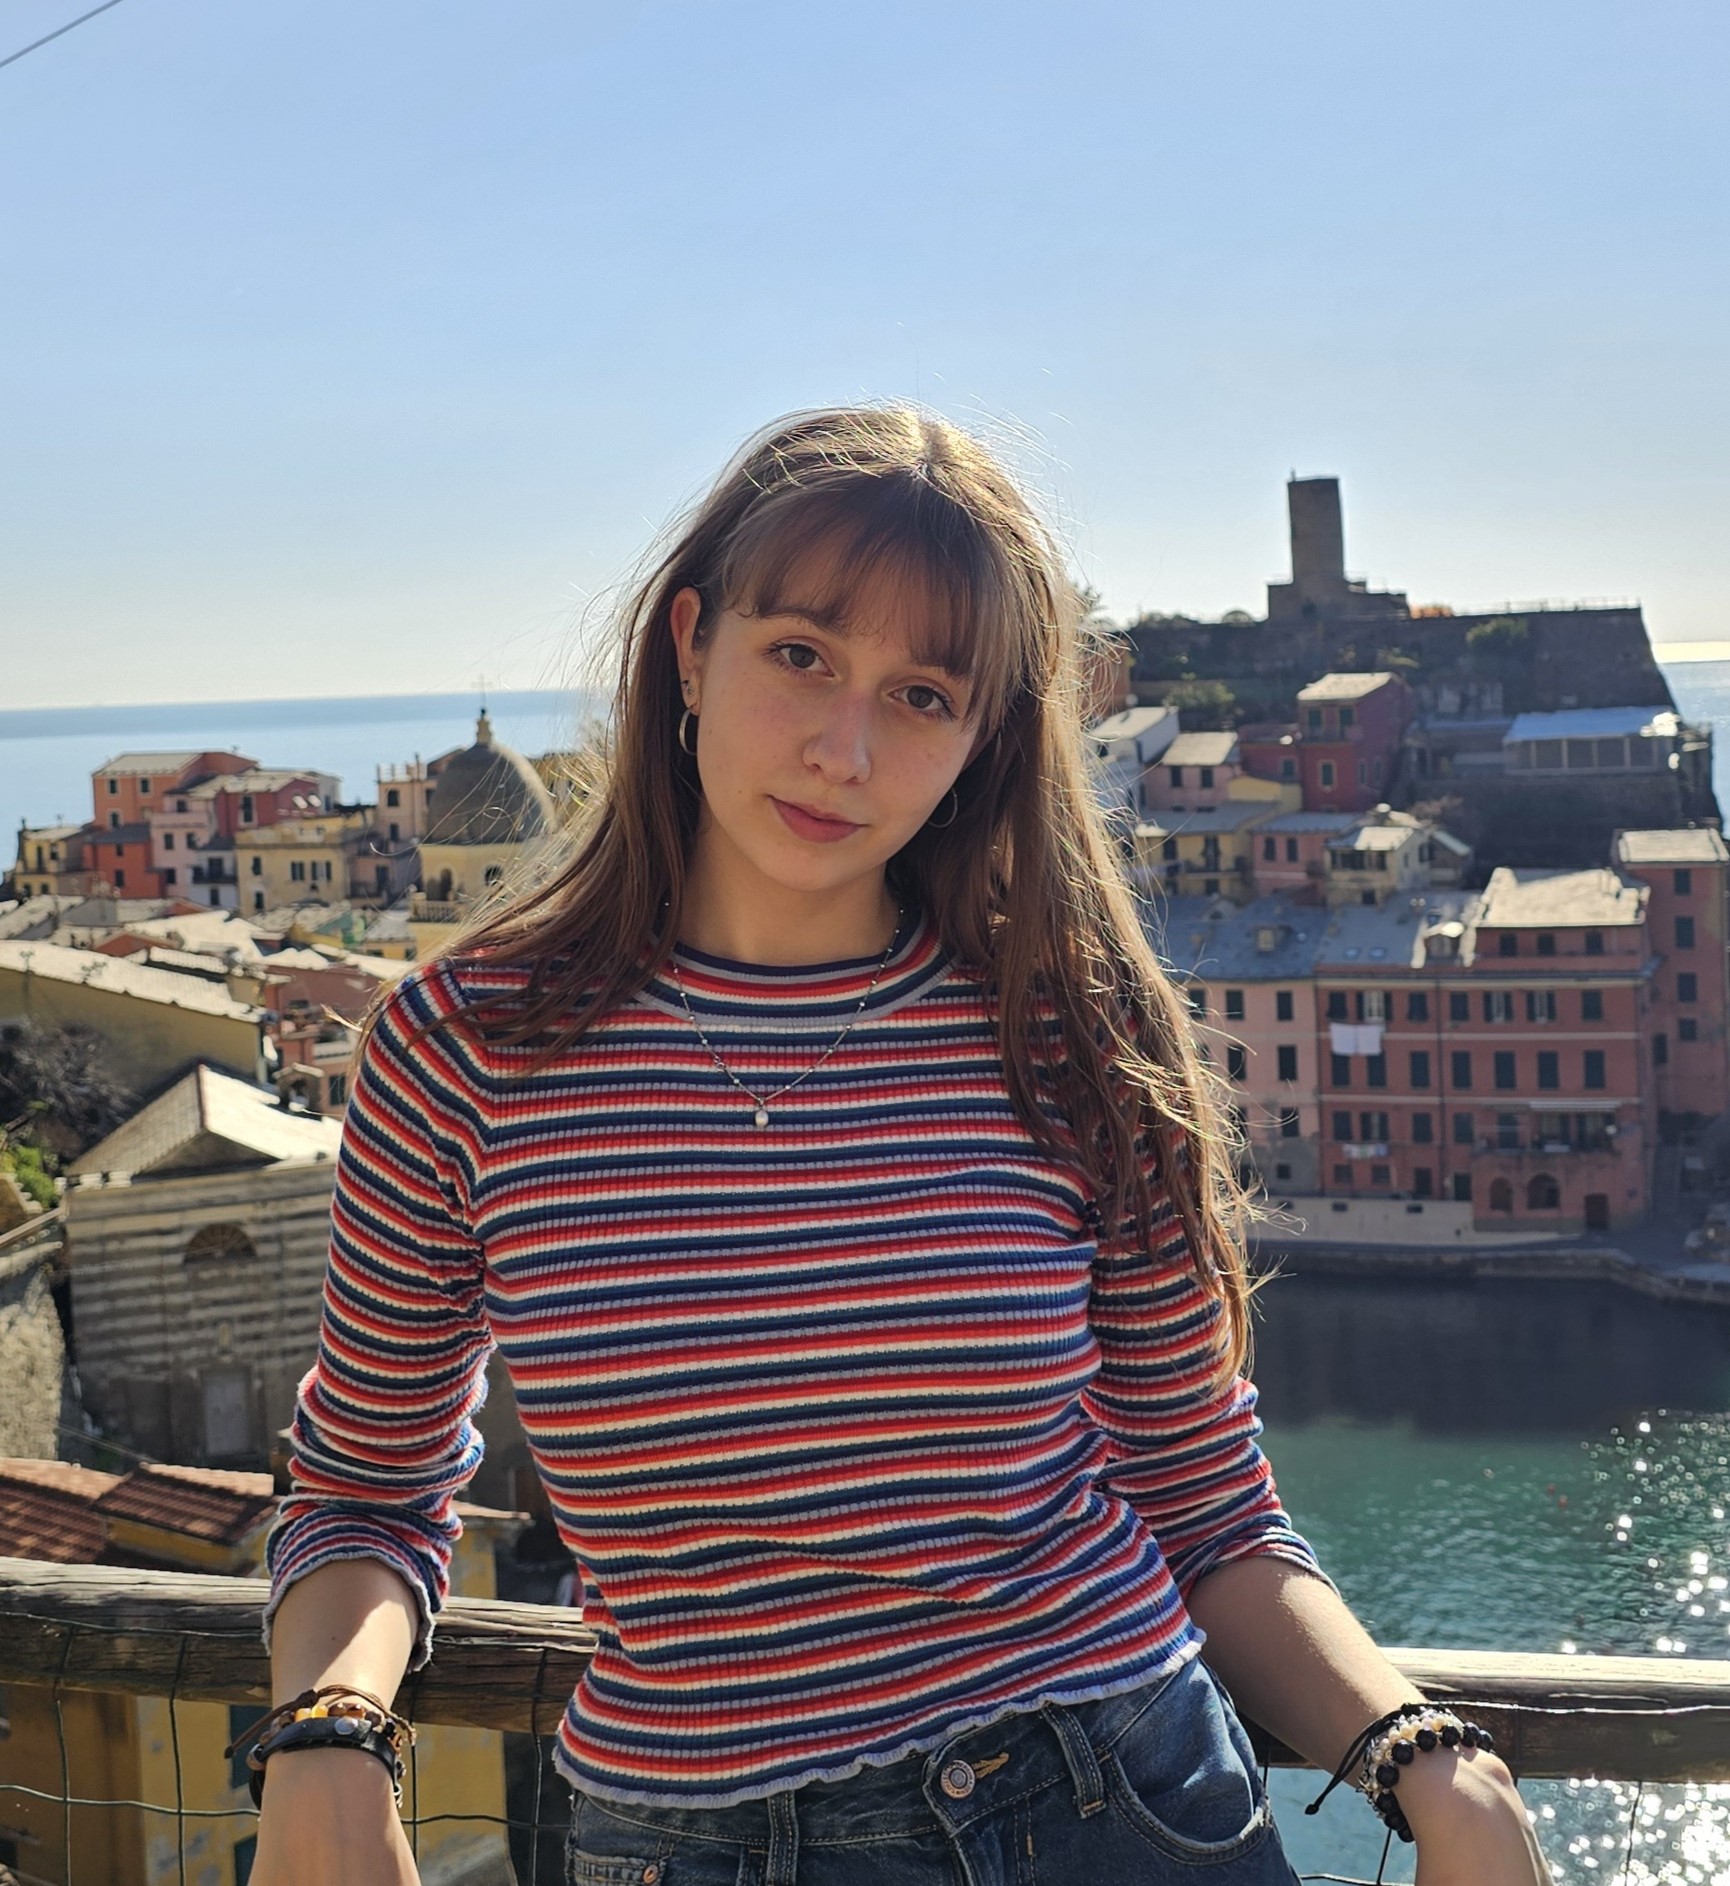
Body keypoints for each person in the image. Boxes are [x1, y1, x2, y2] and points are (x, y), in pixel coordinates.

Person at [247, 406, 1552, 1885]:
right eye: (801, 654)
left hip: (1121, 1800)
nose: (843, 749)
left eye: (921, 695)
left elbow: (1205, 1500)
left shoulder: (1066, 1031)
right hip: (706, 1850)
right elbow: (363, 1489)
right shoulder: (465, 1048)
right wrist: (330, 1734)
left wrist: (1428, 1759)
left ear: (981, 740)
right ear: (692, 645)